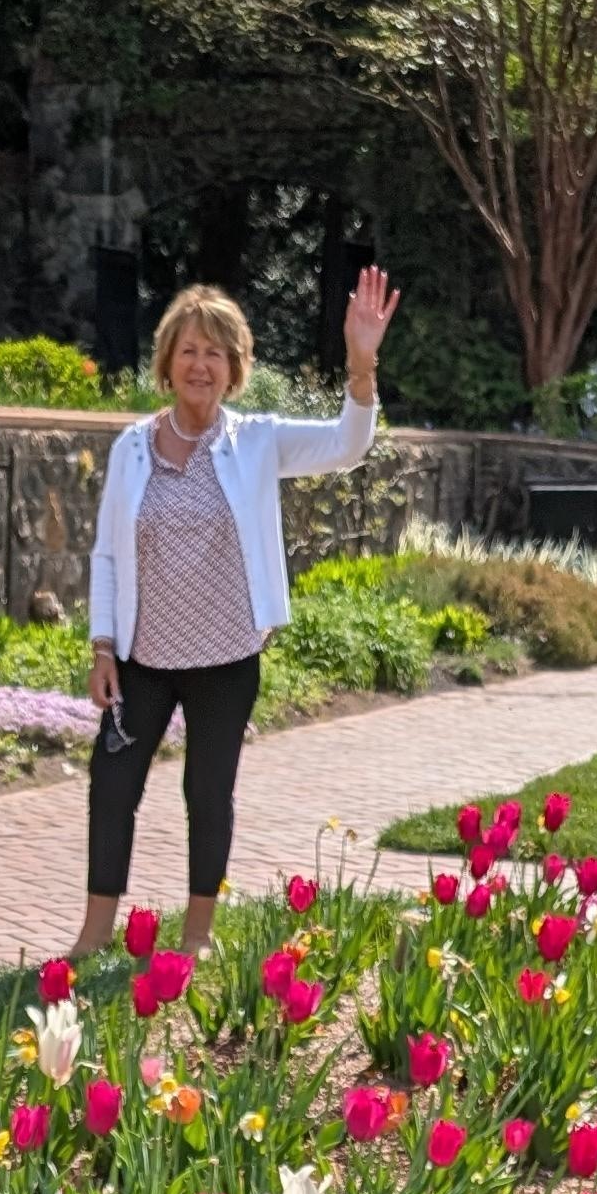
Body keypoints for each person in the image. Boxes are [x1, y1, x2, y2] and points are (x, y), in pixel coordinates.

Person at [71, 266, 397, 965]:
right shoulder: (131, 449)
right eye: (188, 350)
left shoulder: (256, 440)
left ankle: (196, 935)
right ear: (168, 362)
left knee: (208, 794)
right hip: (142, 659)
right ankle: (95, 933)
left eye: (215, 352)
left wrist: (361, 366)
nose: (200, 364)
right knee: (112, 787)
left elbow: (348, 445)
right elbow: (105, 554)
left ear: (234, 368)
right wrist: (103, 648)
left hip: (225, 656)